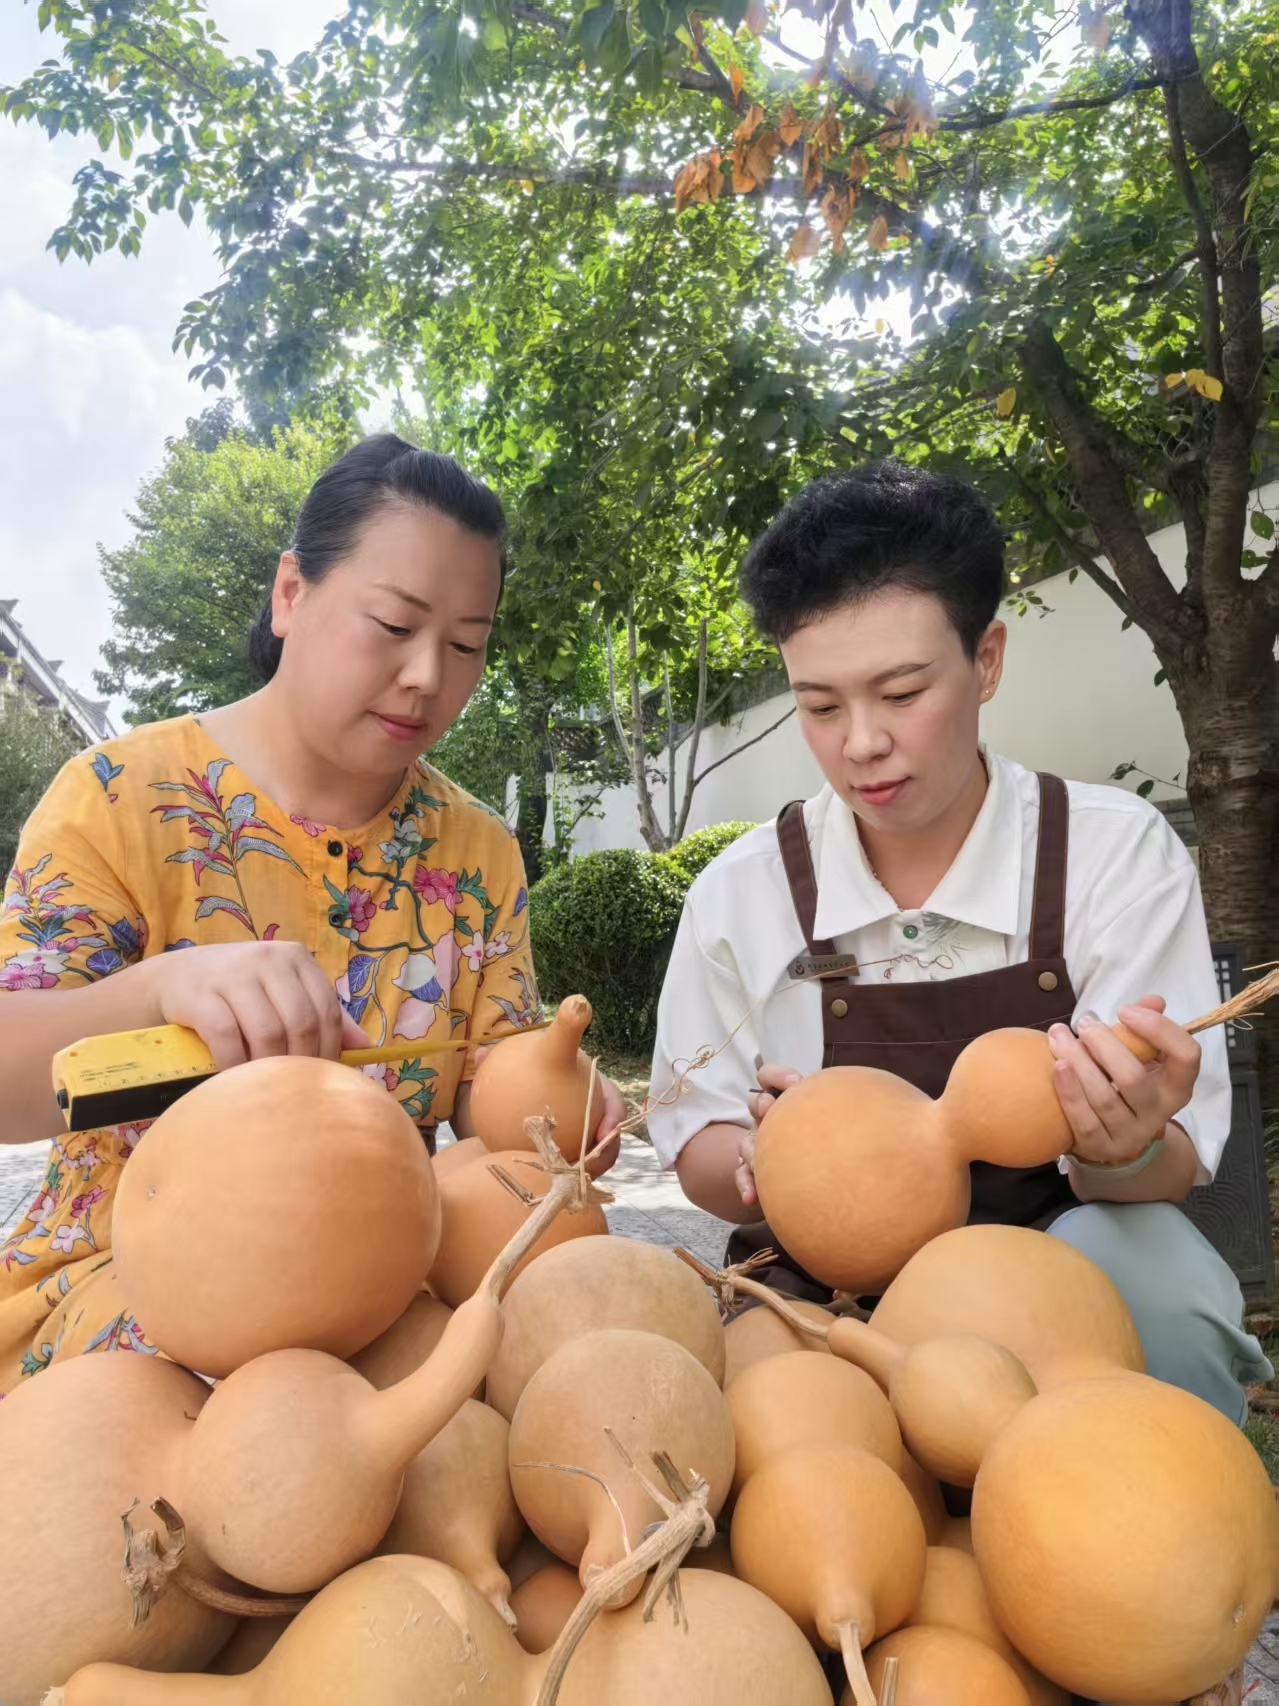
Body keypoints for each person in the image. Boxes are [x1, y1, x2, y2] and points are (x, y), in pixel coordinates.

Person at [648, 459, 1269, 1425]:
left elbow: (1170, 1170)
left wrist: (1120, 1142)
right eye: (818, 706)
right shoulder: (742, 893)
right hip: (831, 1285)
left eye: (899, 693)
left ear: (985, 660)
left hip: (1061, 1265)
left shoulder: (1111, 855)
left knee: (1164, 1289)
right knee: (791, 1452)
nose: (859, 742)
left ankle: (1166, 1519)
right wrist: (762, 1162)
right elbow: (693, 1135)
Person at [0, 433, 623, 1393]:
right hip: (126, 1301)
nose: (428, 676)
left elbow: (490, 1094)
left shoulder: (477, 851)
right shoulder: (121, 795)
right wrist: (163, 987)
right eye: (393, 625)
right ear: (291, 593)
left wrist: (558, 1095)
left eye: (465, 646)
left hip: (372, 1296)